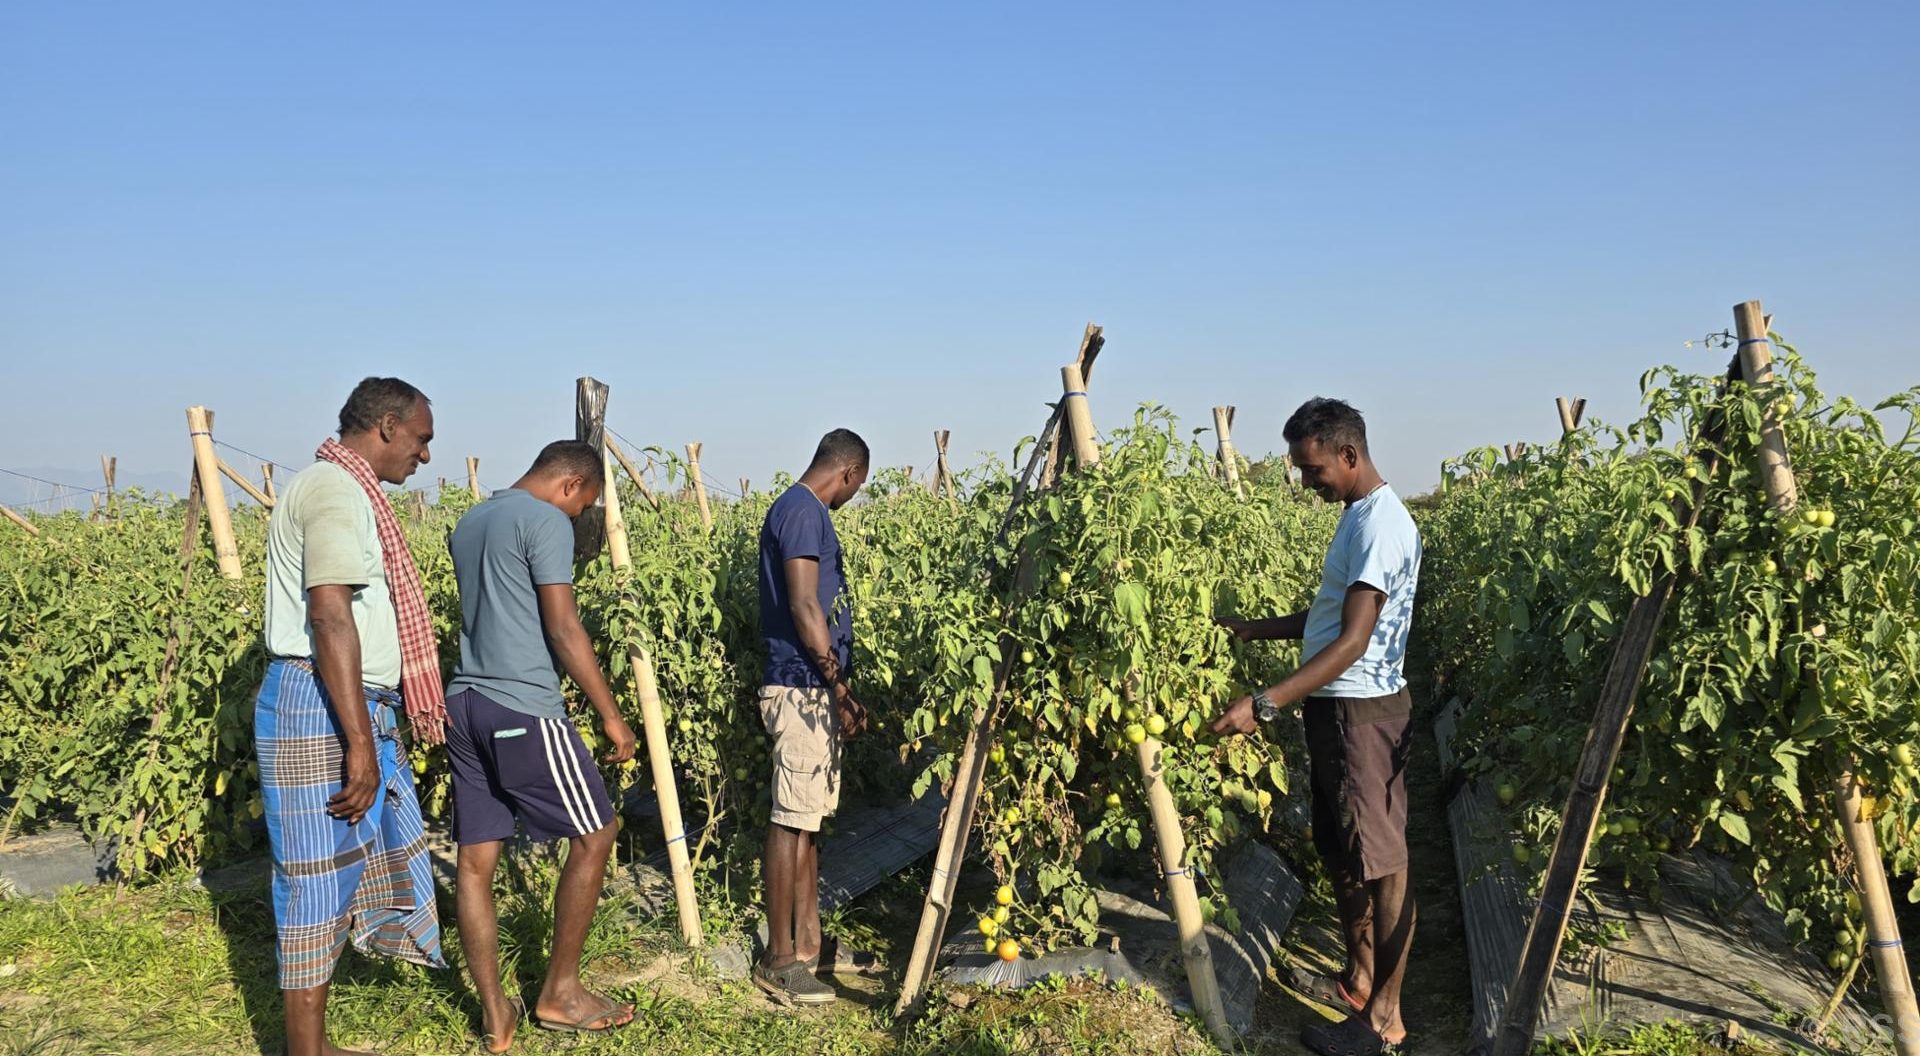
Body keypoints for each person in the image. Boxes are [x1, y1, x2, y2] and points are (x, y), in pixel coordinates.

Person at [1210, 397, 1422, 1056]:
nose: (1307, 483)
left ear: (1349, 454)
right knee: (1345, 856)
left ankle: (1384, 1020)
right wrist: (1256, 629)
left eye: (1313, 470)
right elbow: (1331, 613)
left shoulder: (1382, 526)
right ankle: (1359, 982)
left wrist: (1264, 702)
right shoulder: (1358, 517)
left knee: (1385, 868)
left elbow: (1354, 640)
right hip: (1335, 711)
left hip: (1364, 715)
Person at [255, 376, 448, 1056]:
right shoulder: (334, 490)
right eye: (421, 439)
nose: (424, 456)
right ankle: (306, 1050)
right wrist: (359, 746)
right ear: (389, 426)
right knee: (314, 876)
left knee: (343, 866)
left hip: (345, 703)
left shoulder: (346, 492)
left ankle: (317, 1041)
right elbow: (330, 612)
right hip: (321, 705)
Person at [443, 440, 639, 1050]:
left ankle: (496, 1015)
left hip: (463, 704)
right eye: (584, 507)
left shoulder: (472, 519)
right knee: (597, 833)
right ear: (571, 486)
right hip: (520, 706)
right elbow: (561, 624)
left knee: (475, 865)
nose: (579, 518)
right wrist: (612, 715)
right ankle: (560, 993)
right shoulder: (546, 520)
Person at [752, 428, 879, 1006]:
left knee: (808, 819)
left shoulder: (802, 511)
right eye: (858, 487)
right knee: (789, 818)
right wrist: (837, 684)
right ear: (848, 474)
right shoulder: (803, 512)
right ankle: (779, 961)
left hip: (812, 690)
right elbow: (805, 604)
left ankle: (809, 944)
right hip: (801, 686)